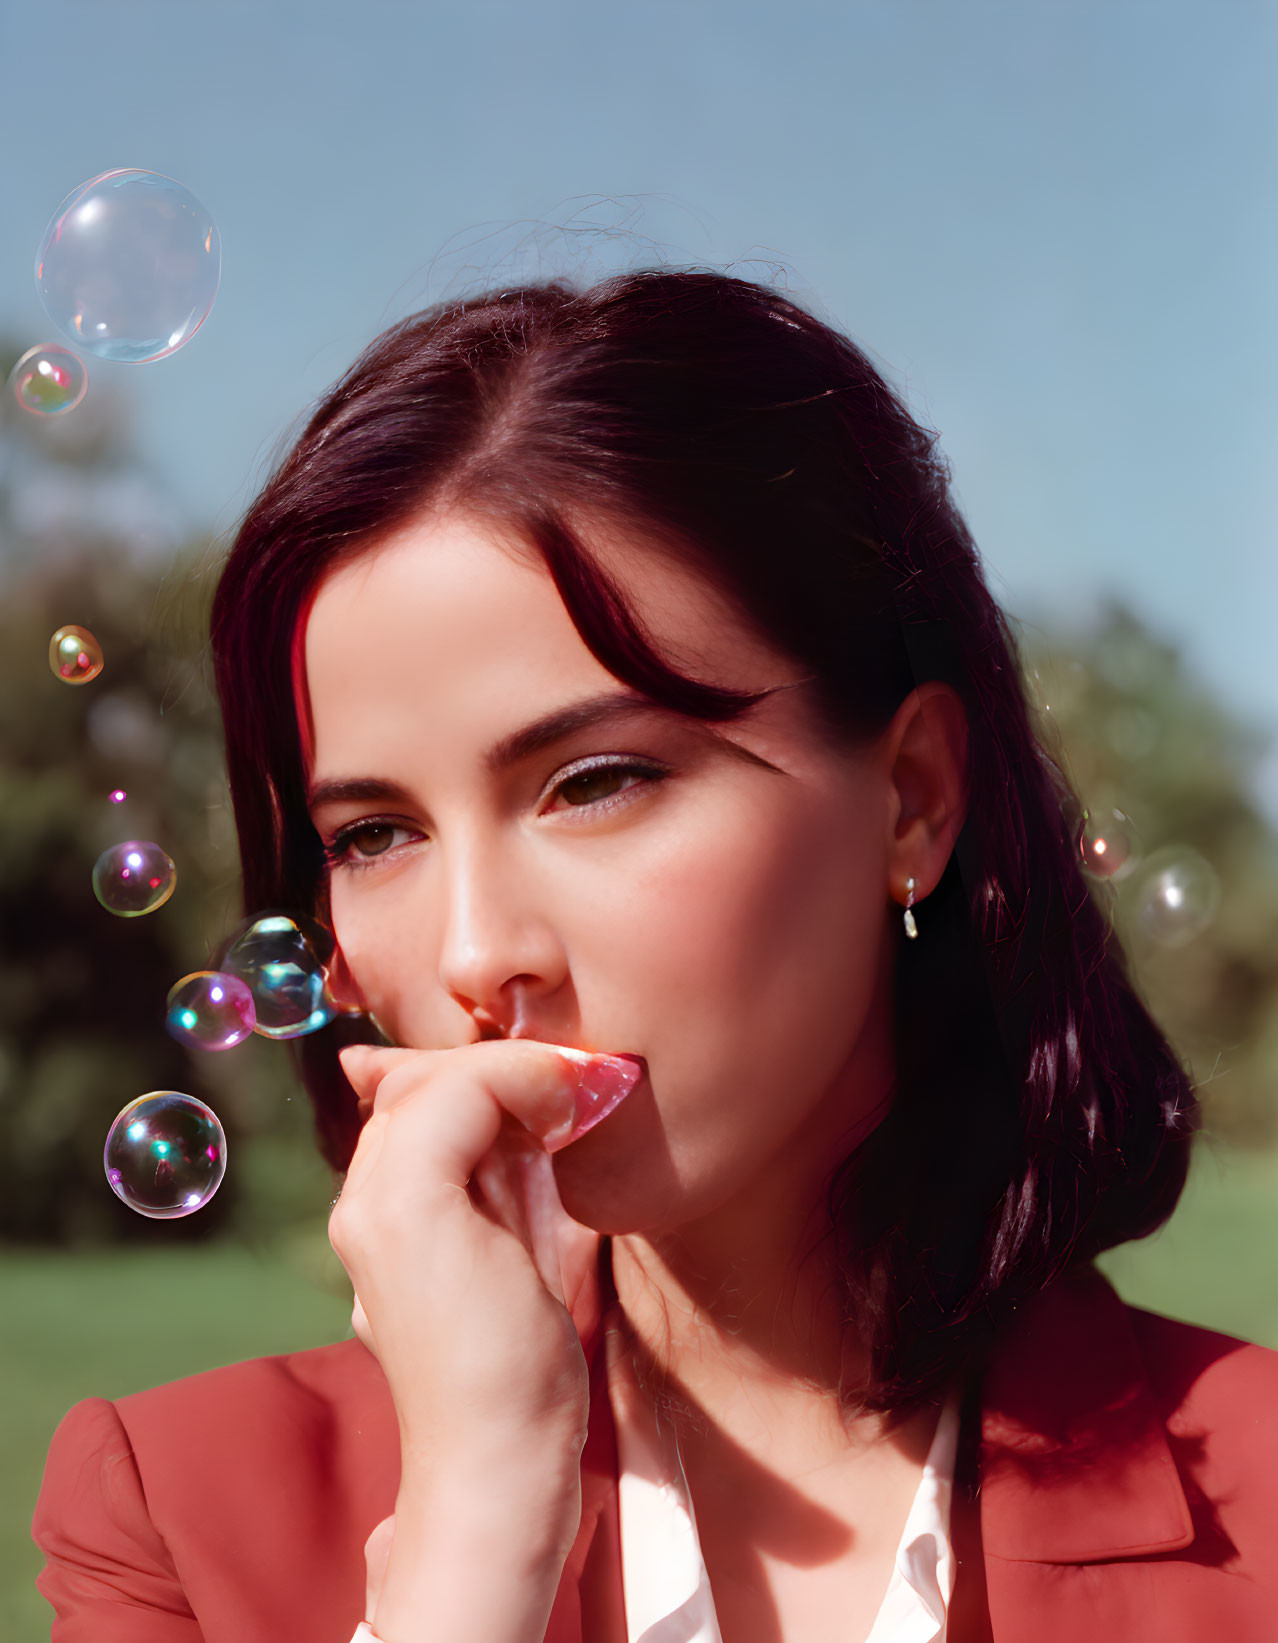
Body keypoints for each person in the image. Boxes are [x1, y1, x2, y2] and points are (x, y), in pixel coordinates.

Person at [32, 270, 1278, 1643]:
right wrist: (473, 1533)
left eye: (595, 781)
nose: (474, 955)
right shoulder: (176, 1520)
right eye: (376, 833)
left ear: (912, 797)